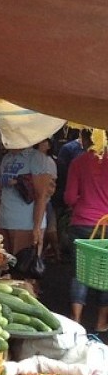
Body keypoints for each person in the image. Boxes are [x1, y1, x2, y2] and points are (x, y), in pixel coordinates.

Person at [63, 129, 108, 330]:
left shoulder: (78, 162)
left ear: (84, 138)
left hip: (82, 223)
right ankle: (101, 322)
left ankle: (76, 321)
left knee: (80, 272)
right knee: (106, 273)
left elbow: (70, 198)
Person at [0, 136, 56, 262]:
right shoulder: (6, 158)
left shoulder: (37, 158)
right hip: (5, 219)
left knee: (25, 267)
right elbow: (1, 193)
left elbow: (41, 195)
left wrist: (36, 227)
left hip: (25, 224)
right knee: (7, 266)